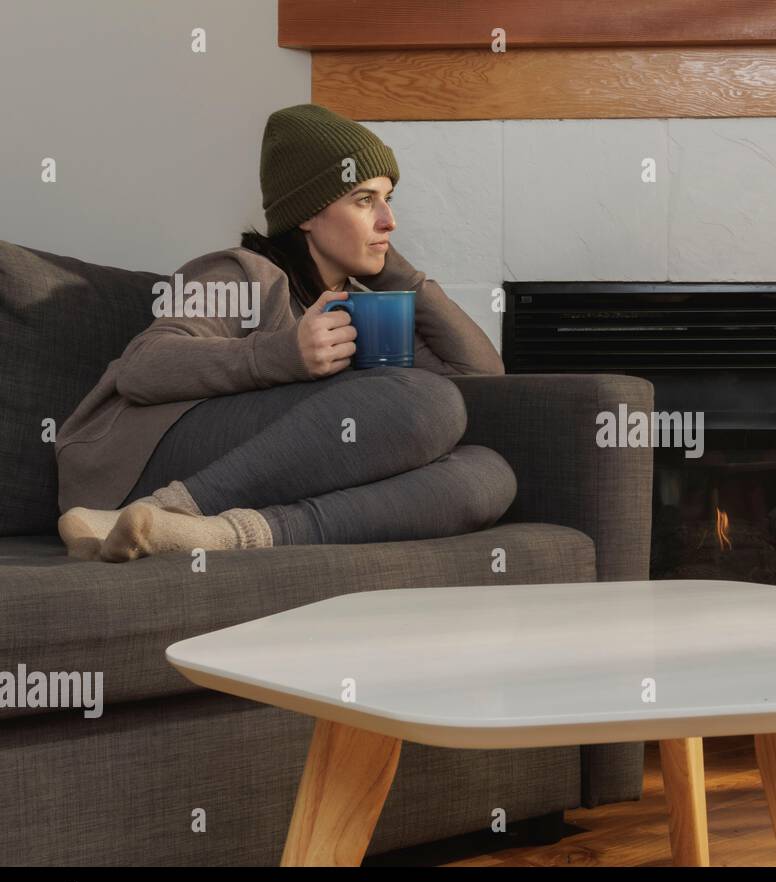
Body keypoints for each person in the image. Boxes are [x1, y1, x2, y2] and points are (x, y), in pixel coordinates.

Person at [54, 104, 515, 562]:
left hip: (256, 479)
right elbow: (142, 366)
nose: (388, 220)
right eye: (363, 200)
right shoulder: (243, 274)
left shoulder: (363, 305)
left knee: (488, 477)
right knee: (427, 402)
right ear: (308, 214)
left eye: (387, 199)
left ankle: (223, 535)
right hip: (139, 466)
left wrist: (393, 271)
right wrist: (284, 353)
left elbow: (477, 378)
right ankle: (155, 509)